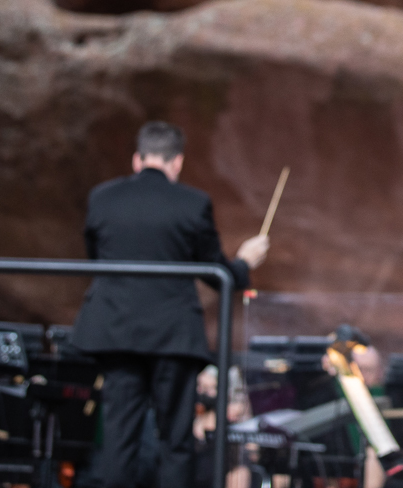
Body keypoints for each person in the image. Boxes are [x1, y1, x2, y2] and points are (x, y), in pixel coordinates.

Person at [72, 121, 270, 488]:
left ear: (137, 159)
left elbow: (95, 258)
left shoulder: (103, 197)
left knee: (120, 439)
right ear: (177, 162)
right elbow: (216, 273)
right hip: (172, 335)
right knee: (176, 440)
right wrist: (244, 262)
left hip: (116, 331)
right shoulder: (192, 203)